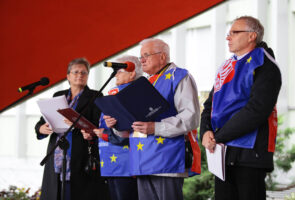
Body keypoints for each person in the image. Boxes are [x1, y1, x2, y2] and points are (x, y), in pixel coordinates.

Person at [104, 38, 200, 200]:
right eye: (141, 56)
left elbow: (190, 117)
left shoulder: (179, 76)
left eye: (146, 55)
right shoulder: (146, 83)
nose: (141, 60)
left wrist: (155, 128)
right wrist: (117, 125)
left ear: (162, 56)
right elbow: (133, 127)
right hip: (143, 159)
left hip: (166, 159)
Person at [200, 16, 282, 200]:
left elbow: (257, 110)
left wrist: (218, 136)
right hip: (222, 152)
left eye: (234, 33)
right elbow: (209, 105)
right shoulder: (226, 66)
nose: (228, 38)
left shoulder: (264, 64)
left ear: (252, 36)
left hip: (250, 154)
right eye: (228, 34)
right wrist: (205, 132)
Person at [35, 58, 109, 200]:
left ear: (88, 76)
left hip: (80, 154)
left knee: (76, 194)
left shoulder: (95, 96)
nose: (79, 75)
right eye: (75, 72)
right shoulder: (58, 95)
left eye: (84, 73)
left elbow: (98, 125)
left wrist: (79, 126)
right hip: (56, 153)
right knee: (54, 193)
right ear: (68, 76)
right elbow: (42, 121)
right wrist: (41, 129)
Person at [81, 55, 142, 200]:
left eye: (119, 70)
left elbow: (130, 130)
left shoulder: (133, 93)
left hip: (126, 164)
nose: (115, 74)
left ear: (132, 72)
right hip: (110, 162)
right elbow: (105, 126)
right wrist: (93, 133)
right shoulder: (114, 92)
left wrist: (104, 133)